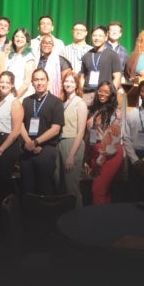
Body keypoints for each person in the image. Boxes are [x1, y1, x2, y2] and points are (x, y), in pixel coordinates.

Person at [19, 68, 65, 195]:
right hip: (27, 150)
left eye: (42, 79)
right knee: (27, 188)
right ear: (32, 83)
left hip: (46, 150)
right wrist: (29, 143)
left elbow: (56, 129)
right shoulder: (27, 101)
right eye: (36, 80)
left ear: (48, 81)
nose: (39, 83)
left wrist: (36, 142)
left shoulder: (56, 102)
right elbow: (20, 123)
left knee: (45, 188)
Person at [85, 81, 123, 204]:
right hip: (94, 151)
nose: (102, 94)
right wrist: (87, 158)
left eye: (106, 92)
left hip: (109, 155)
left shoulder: (115, 113)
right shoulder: (94, 109)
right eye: (100, 91)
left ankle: (98, 220)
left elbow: (114, 141)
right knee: (101, 191)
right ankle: (106, 217)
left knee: (98, 190)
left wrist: (100, 160)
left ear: (111, 94)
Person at [58, 71, 87, 208]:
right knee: (61, 184)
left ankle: (78, 218)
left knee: (72, 186)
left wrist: (71, 155)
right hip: (60, 142)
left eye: (71, 82)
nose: (68, 84)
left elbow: (81, 131)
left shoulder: (79, 103)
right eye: (66, 81)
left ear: (76, 85)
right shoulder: (63, 102)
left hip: (72, 144)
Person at [0, 72, 23, 182]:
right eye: (2, 82)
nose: (4, 85)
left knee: (3, 179)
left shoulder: (14, 103)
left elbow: (16, 131)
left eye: (7, 82)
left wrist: (1, 149)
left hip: (7, 144)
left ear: (12, 85)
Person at [79, 25, 122, 105]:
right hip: (87, 95)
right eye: (94, 35)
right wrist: (81, 92)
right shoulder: (87, 55)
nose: (97, 38)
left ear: (106, 37)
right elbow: (82, 77)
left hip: (104, 96)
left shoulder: (112, 55)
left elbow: (117, 77)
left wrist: (110, 94)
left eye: (100, 36)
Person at [6, 28, 36, 100]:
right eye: (16, 36)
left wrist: (14, 98)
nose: (19, 39)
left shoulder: (29, 57)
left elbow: (26, 83)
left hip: (21, 96)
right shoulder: (10, 55)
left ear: (27, 40)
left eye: (22, 37)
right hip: (8, 94)